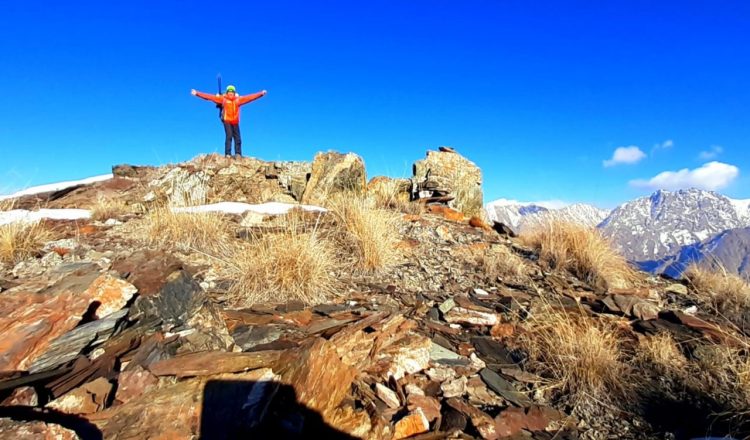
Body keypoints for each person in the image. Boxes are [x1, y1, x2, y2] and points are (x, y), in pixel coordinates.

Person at [191, 85, 267, 158]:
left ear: (234, 93)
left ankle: (238, 154)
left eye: (232, 92)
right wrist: (197, 93)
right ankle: (228, 154)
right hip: (226, 120)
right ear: (227, 92)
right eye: (229, 92)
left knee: (238, 138)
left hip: (235, 121)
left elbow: (250, 98)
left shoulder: (238, 100)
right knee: (229, 136)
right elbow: (209, 97)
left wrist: (261, 94)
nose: (230, 93)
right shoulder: (223, 99)